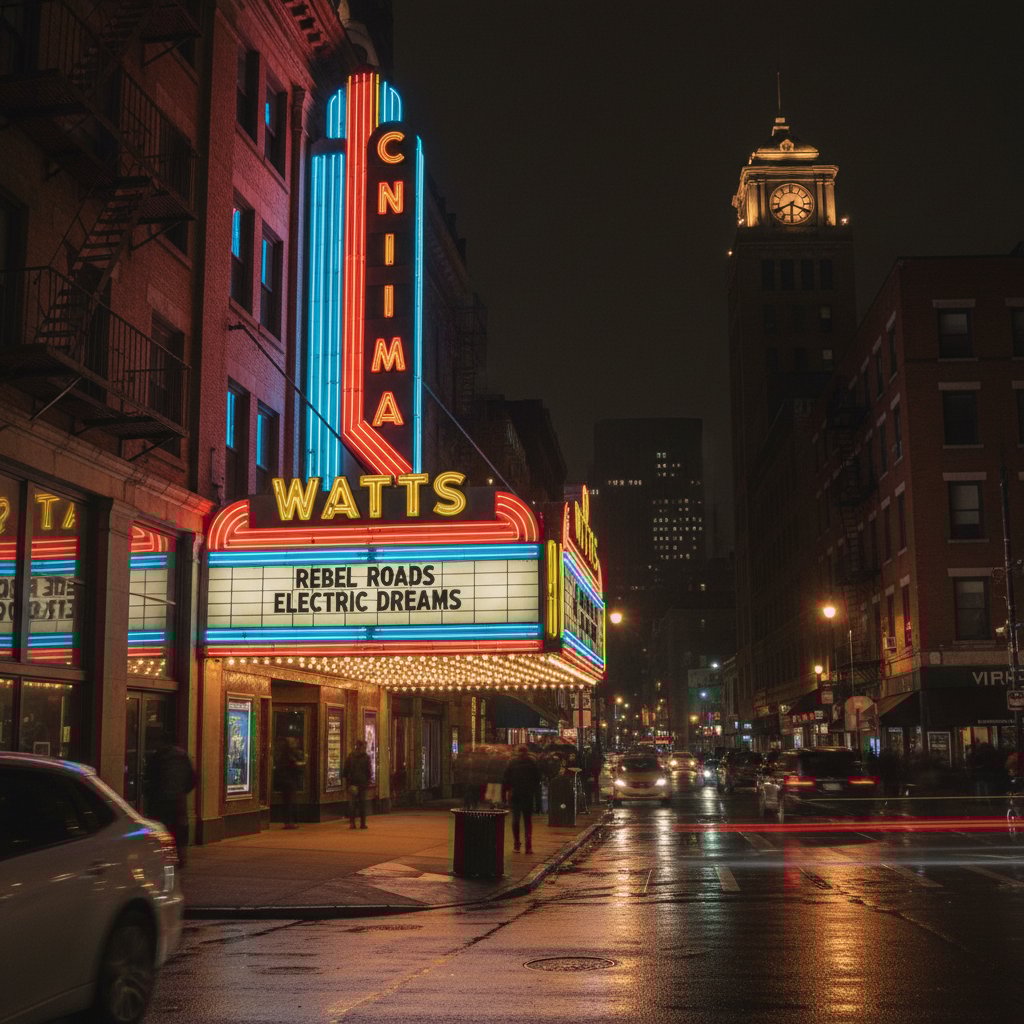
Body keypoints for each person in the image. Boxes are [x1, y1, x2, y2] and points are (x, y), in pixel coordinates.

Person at [145, 732, 197, 867]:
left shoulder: (158, 756)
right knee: (180, 828)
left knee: (161, 828)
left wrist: (153, 793)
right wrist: (182, 791)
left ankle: (162, 857)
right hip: (178, 800)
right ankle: (180, 857)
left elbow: (150, 776)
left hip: (160, 800)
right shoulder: (183, 756)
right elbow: (192, 778)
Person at [502, 745, 542, 854]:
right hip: (528, 794)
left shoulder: (512, 762)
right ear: (527, 752)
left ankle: (517, 844)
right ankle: (528, 846)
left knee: (515, 819)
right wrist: (538, 800)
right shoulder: (532, 762)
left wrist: (504, 795)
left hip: (515, 794)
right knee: (527, 821)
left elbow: (505, 779)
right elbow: (537, 779)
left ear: (517, 752)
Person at [276, 735, 305, 829]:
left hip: (286, 781)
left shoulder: (283, 755)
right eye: (293, 742)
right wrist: (301, 764)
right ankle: (289, 822)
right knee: (290, 801)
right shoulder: (289, 755)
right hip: (289, 781)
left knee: (288, 801)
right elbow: (294, 765)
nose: (295, 743)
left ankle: (288, 821)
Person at [344, 739, 372, 829]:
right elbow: (369, 771)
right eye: (364, 746)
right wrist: (367, 781)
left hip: (352, 783)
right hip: (362, 784)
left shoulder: (350, 756)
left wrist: (348, 781)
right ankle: (362, 823)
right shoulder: (366, 757)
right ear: (361, 746)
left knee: (352, 804)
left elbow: (345, 770)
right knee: (362, 804)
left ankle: (352, 823)